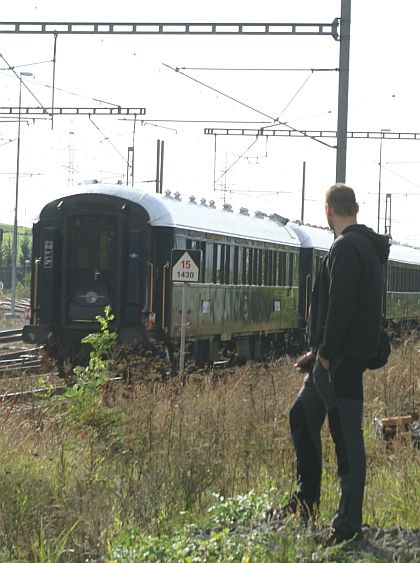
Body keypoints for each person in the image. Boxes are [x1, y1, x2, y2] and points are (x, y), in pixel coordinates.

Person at [278, 183, 390, 544]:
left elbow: (341, 308)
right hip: (333, 357)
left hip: (339, 362)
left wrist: (324, 354)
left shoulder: (346, 248)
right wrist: (318, 353)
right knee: (302, 415)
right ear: (355, 207)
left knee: (347, 440)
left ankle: (347, 524)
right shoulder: (365, 249)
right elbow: (350, 309)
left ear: (328, 211)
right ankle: (306, 500)